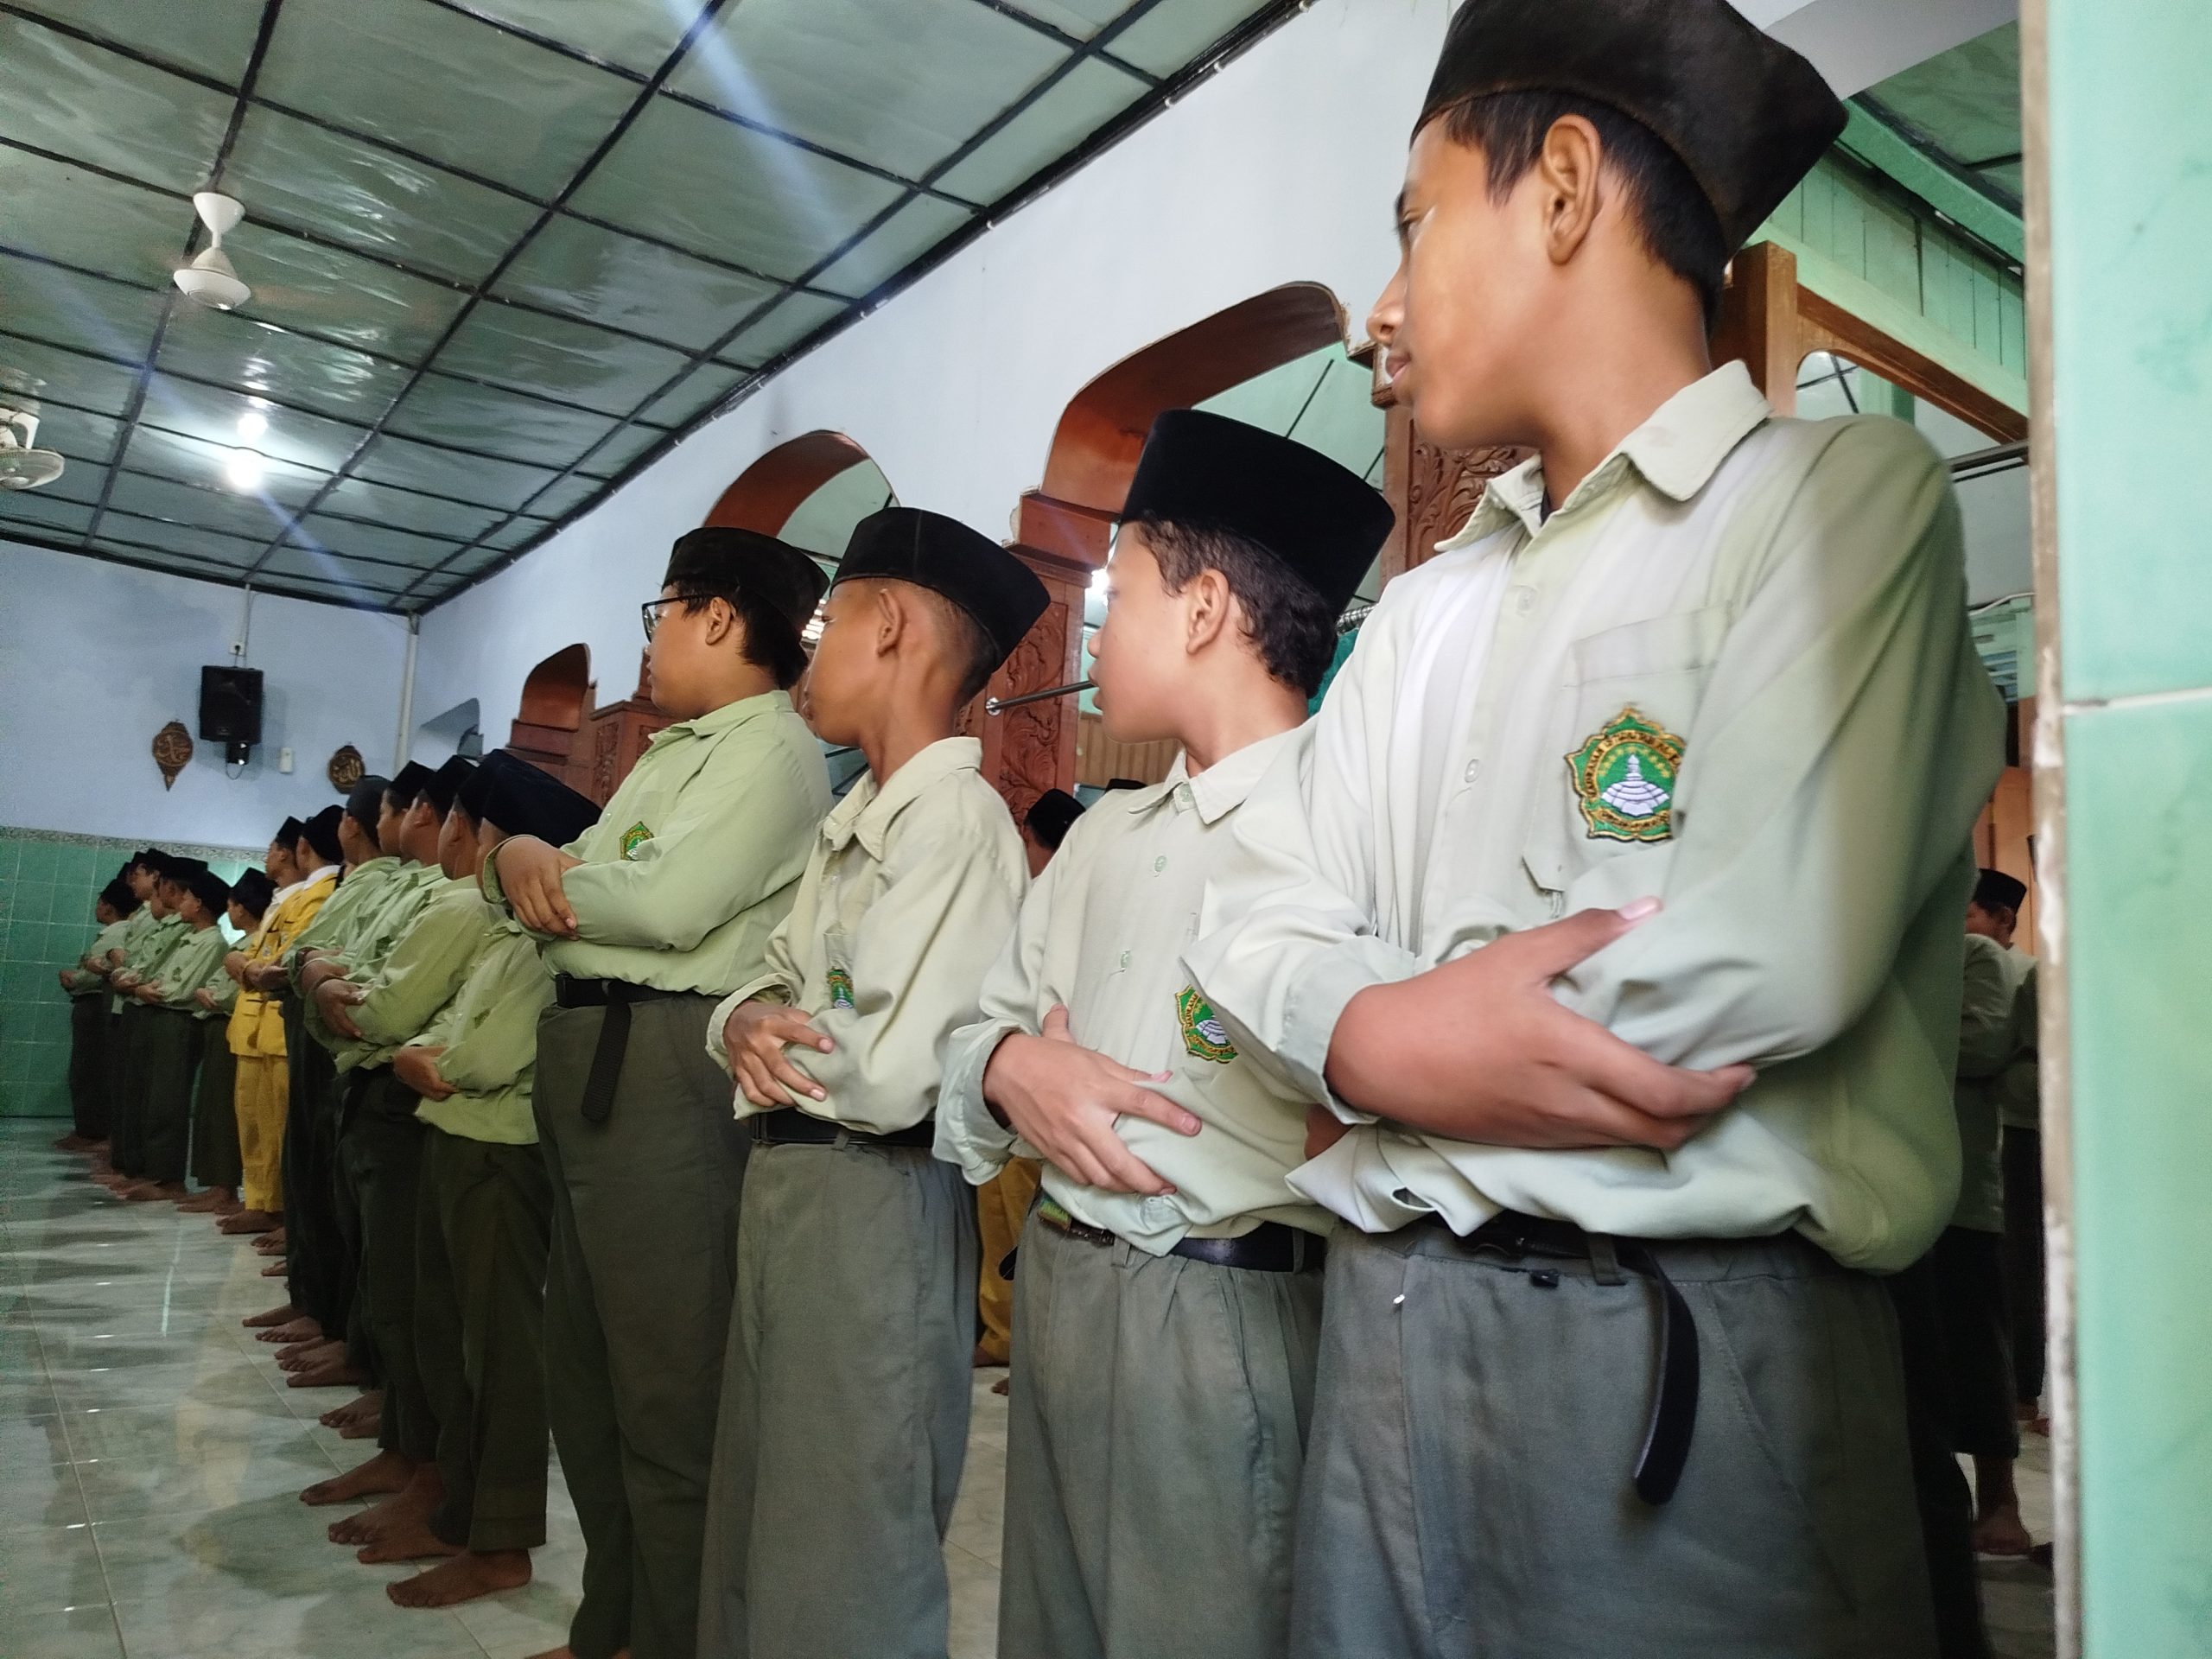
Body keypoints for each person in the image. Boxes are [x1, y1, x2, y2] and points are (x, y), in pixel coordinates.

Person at [1182, 3, 2009, 1654]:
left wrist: (1364, 1061)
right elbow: (1244, 920)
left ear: (1563, 189)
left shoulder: (1840, 504)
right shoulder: (1423, 615)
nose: (1380, 315)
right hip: (1390, 1344)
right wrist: (1372, 1027)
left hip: (1693, 1370)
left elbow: (1760, 964)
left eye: (1414, 223)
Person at [941, 410, 1392, 1659]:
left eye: (1119, 593)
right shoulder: (1103, 839)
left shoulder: (1343, 827)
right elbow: (976, 1038)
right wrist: (1008, 1061)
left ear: (1202, 612)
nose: (1095, 634)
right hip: (1068, 1288)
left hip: (1226, 1320)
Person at [702, 505, 1043, 1659]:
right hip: (795, 1189)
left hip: (874, 1205)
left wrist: (766, 1039)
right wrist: (747, 1018)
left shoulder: (956, 821)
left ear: (889, 625)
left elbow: (892, 1077)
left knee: (849, 1542)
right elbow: (766, 987)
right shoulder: (855, 817)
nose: (808, 648)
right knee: (767, 1511)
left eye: (828, 618)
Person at [486, 525, 830, 1659]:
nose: (656, 642)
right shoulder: (673, 751)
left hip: (667, 1072)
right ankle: (616, 1628)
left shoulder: (771, 749)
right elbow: (589, 882)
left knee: (667, 1398)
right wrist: (531, 861)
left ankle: (677, 1636)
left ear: (720, 618)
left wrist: (545, 864)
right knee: (586, 1381)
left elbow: (667, 905)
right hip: (597, 1062)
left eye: (663, 614)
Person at [387, 753, 601, 1611]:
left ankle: (500, 1542)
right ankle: (460, 1511)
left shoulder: (544, 946)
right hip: (462, 1143)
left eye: (472, 830)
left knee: (500, 1355)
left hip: (500, 1155)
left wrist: (418, 1058)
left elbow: (475, 1053)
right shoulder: (508, 936)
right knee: (454, 1339)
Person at [302, 757, 490, 1548]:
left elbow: (378, 1005)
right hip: (385, 1091)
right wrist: (319, 981)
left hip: (418, 1105)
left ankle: (432, 1475)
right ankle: (406, 1453)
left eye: (435, 812)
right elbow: (331, 970)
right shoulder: (426, 894)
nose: (416, 821)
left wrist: (328, 989)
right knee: (391, 1279)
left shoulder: (461, 903)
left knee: (423, 1308)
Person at [972, 787, 1087, 1379]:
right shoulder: (1037, 890)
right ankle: (1002, 1339)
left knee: (1026, 1230)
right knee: (1003, 1223)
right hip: (1005, 1081)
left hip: (1041, 1090)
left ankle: (1025, 1349)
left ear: (1034, 838)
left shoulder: (1063, 888)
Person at [223, 818, 339, 1238]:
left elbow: (275, 963)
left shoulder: (318, 896)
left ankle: (284, 1211)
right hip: (259, 1023)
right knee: (256, 1120)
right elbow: (252, 956)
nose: (267, 854)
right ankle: (262, 1201)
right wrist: (247, 965)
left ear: (297, 848)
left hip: (281, 1020)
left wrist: (247, 967)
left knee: (285, 1128)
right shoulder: (287, 900)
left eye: (273, 846)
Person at [1970, 869, 2045, 1430]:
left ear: (2004, 919)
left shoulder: (2022, 973)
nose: (1962, 929)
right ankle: (2020, 1389)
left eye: (1971, 915)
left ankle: (2026, 1389)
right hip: (2003, 1138)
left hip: (2025, 1131)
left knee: (2028, 1269)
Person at [118, 865, 233, 1203]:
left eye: (185, 897)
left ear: (198, 904)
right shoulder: (189, 936)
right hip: (162, 1018)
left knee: (168, 1101)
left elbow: (181, 988)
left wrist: (149, 990)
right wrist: (144, 986)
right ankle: (154, 1172)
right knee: (153, 1098)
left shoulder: (213, 941)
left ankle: (168, 1178)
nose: (178, 903)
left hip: (179, 1022)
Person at [183, 868, 273, 1216]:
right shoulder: (239, 943)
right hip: (222, 1027)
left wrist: (215, 998)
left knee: (226, 1112)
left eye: (233, 904)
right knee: (212, 1109)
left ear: (242, 907)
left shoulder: (255, 944)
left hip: (236, 1025)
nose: (229, 910)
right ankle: (216, 1184)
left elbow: (244, 991)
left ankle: (227, 1188)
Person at [102, 855, 194, 1190]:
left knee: (161, 1100)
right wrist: (129, 979)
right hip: (142, 1007)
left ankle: (160, 1174)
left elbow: (162, 979)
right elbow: (140, 964)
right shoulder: (162, 923)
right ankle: (136, 1166)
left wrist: (135, 982)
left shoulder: (189, 931)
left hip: (164, 1014)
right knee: (137, 1093)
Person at [56, 875, 137, 1152]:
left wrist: (74, 978)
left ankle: (90, 1132)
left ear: (108, 907)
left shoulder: (115, 933)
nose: (97, 908)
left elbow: (97, 973)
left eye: (100, 902)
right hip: (102, 1003)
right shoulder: (125, 929)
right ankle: (93, 1131)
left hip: (96, 1004)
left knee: (87, 1070)